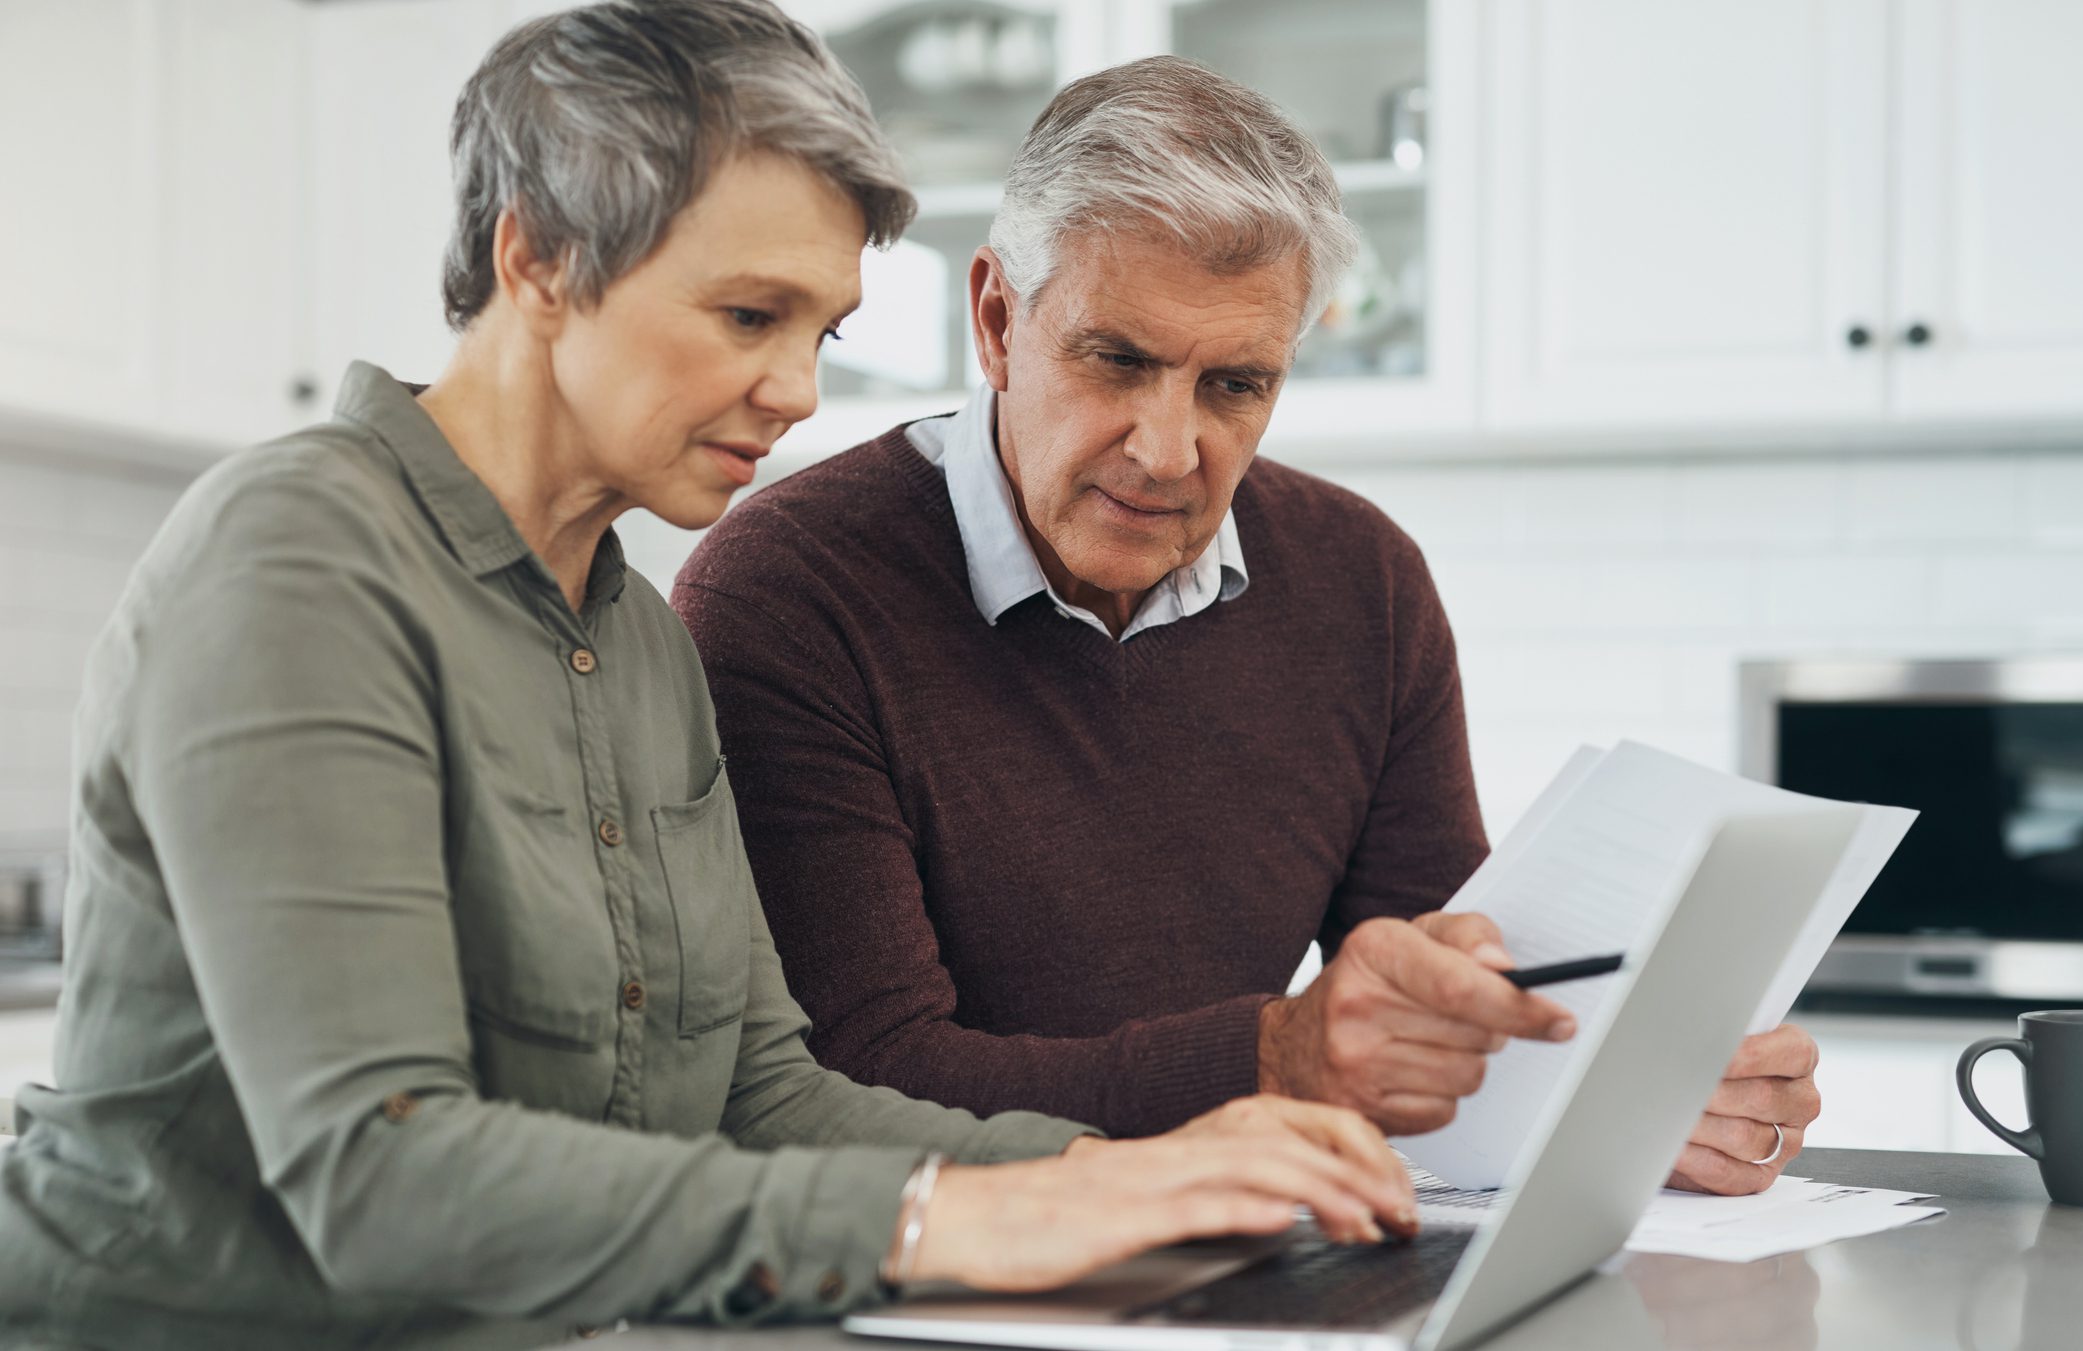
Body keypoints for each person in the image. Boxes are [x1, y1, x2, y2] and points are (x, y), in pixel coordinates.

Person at [0, 8, 1419, 1348]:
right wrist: (953, 1207)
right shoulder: (301, 560)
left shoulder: (634, 635)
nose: (799, 390)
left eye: (824, 332)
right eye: (750, 316)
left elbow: (760, 1092)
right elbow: (380, 1172)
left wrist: (1133, 1167)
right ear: (539, 260)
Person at [674, 56, 1822, 1194]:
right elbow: (854, 1084)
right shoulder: (789, 591)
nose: (1168, 450)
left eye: (1235, 385)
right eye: (1116, 360)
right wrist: (1276, 1059)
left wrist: (1632, 1098)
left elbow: (1433, 1013)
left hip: (1243, 1263)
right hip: (939, 1277)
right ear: (995, 319)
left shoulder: (1362, 580)